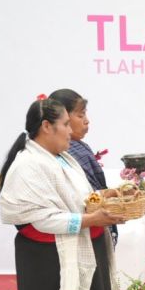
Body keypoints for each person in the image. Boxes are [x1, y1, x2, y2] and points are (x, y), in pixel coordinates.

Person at [0, 96, 126, 290]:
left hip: (77, 247)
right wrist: (90, 220)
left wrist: (106, 197)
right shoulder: (28, 164)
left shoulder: (63, 159)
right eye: (66, 124)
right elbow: (41, 217)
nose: (71, 130)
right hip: (47, 256)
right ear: (46, 126)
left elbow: (81, 200)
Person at [49, 88, 116, 243]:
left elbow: (90, 193)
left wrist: (114, 194)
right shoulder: (56, 153)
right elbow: (80, 198)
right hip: (75, 232)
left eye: (85, 114)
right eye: (80, 115)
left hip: (93, 227)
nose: (87, 120)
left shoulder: (80, 146)